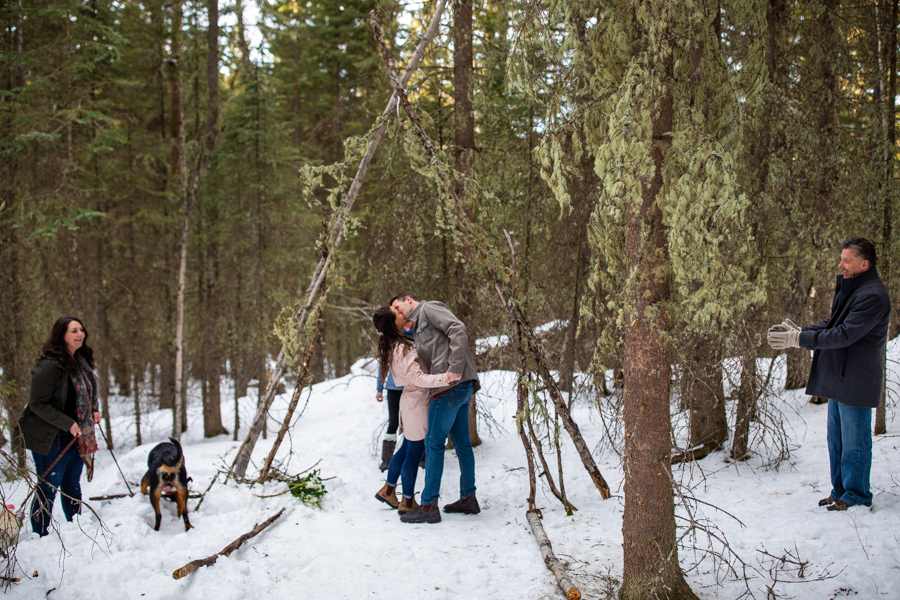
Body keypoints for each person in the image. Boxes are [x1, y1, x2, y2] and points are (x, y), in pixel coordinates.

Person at [768, 237, 891, 511]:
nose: (841, 264)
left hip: (856, 380)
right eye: (841, 258)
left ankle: (857, 496)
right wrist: (801, 331)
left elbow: (844, 334)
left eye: (847, 260)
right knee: (837, 441)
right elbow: (832, 324)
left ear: (864, 263)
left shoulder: (872, 295)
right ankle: (841, 492)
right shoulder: (854, 289)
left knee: (855, 443)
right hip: (840, 376)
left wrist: (799, 339)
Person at [391, 292, 481, 524]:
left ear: (408, 299)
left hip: (450, 388)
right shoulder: (418, 324)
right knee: (461, 443)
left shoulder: (429, 308)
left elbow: (457, 328)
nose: (399, 313)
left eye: (398, 307)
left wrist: (455, 368)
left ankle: (429, 505)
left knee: (433, 444)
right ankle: (468, 498)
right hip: (458, 388)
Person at [13, 317, 101, 536]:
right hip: (50, 434)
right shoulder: (48, 366)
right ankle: (40, 535)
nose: (80, 334)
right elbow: (37, 404)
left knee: (72, 483)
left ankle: (76, 531)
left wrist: (94, 409)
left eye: (81, 329)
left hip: (76, 434)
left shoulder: (81, 361)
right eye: (74, 331)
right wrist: (67, 423)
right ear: (61, 335)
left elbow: (89, 391)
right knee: (48, 487)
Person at [372, 306, 450, 513]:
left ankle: (389, 490)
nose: (401, 312)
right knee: (414, 453)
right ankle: (407, 501)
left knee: (407, 447)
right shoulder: (402, 348)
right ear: (393, 322)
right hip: (416, 402)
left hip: (411, 400)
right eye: (396, 312)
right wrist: (445, 378)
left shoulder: (395, 344)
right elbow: (416, 377)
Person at [375, 322, 415, 472]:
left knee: (414, 422)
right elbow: (382, 365)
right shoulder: (391, 338)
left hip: (412, 388)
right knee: (393, 422)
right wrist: (380, 388)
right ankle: (387, 459)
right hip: (393, 388)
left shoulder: (416, 336)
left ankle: (419, 456)